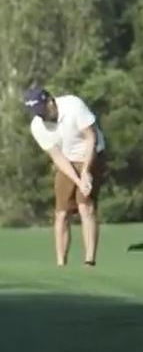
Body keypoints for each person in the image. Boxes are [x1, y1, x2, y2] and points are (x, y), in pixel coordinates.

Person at [23, 87, 106, 267]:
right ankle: (61, 264)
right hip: (67, 161)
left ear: (51, 101)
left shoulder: (74, 106)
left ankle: (89, 261)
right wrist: (77, 180)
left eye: (43, 110)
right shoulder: (37, 126)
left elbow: (91, 138)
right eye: (37, 113)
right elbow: (57, 157)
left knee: (86, 206)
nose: (42, 116)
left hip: (91, 154)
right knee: (61, 213)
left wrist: (85, 173)